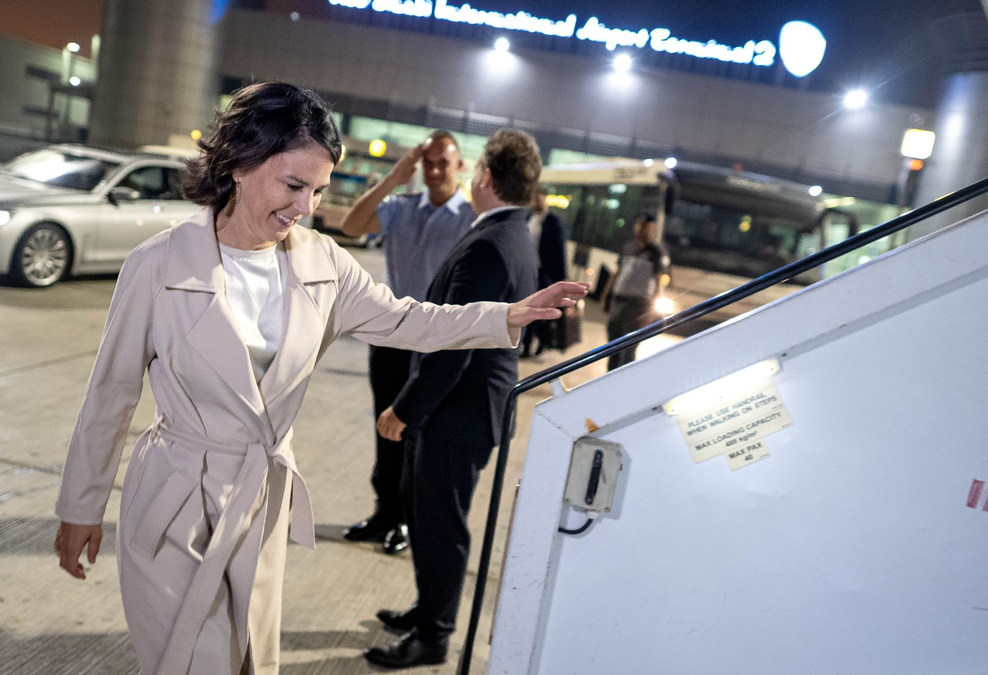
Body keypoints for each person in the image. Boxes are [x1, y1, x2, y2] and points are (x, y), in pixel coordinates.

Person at [52, 82, 588, 675]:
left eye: (318, 191)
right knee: (193, 661)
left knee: (248, 660)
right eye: (293, 185)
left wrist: (505, 316)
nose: (306, 207)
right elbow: (111, 393)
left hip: (258, 502)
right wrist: (81, 506)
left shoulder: (322, 262)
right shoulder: (158, 264)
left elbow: (407, 319)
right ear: (238, 164)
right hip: (174, 501)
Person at [364, 129, 546, 669]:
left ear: (485, 177)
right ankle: (428, 611)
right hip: (464, 409)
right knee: (425, 513)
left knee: (440, 526)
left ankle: (433, 636)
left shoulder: (490, 244)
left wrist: (404, 409)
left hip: (458, 411)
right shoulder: (510, 233)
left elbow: (455, 343)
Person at [339, 130, 476, 555]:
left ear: (460, 166)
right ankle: (385, 512)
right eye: (427, 163)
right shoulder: (401, 207)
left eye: (443, 163)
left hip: (436, 342)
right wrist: (393, 179)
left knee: (417, 431)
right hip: (391, 335)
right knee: (385, 426)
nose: (434, 171)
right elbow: (351, 226)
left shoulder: (470, 218)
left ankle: (407, 519)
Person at [604, 212, 670, 370]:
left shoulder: (656, 252)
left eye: (646, 226)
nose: (641, 229)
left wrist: (653, 309)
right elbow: (617, 273)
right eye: (639, 225)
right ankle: (609, 377)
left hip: (637, 305)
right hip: (619, 300)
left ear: (652, 229)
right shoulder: (628, 247)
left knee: (629, 347)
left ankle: (624, 378)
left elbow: (658, 281)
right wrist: (605, 295)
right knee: (612, 345)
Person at [520, 187, 569, 357]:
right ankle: (526, 345)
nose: (536, 202)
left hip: (544, 274)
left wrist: (562, 277)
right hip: (528, 271)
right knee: (527, 308)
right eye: (534, 198)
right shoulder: (528, 218)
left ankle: (541, 342)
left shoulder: (553, 221)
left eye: (539, 198)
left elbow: (559, 250)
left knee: (539, 311)